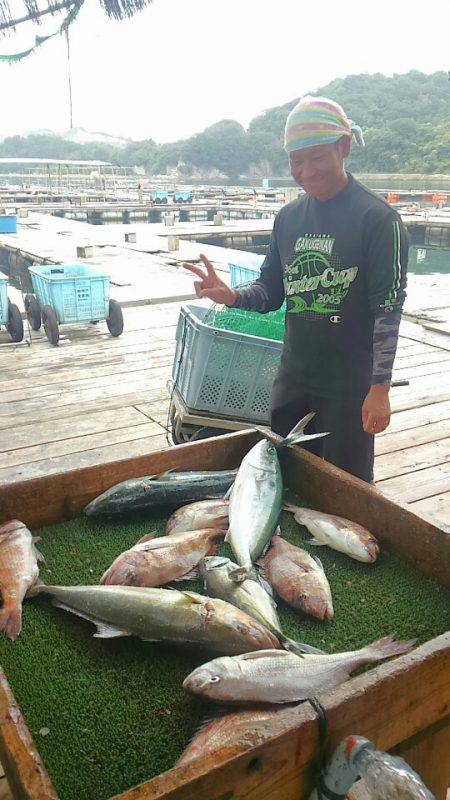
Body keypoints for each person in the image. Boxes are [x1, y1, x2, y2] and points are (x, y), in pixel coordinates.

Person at [182, 96, 408, 483]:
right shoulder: (288, 218)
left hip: (348, 387)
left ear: (344, 147)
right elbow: (271, 290)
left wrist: (380, 389)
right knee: (285, 477)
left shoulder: (378, 219)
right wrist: (233, 296)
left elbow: (388, 311)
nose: (305, 171)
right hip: (294, 379)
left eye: (316, 157)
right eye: (296, 161)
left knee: (347, 486)